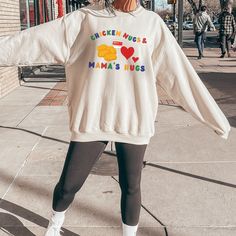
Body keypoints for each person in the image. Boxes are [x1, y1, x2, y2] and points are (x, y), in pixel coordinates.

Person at [0, 0, 231, 235]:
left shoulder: (152, 24)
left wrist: (215, 119)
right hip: (92, 119)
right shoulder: (85, 18)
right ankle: (55, 223)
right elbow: (31, 42)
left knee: (131, 187)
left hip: (134, 121)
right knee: (69, 185)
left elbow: (180, 75)